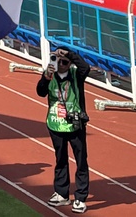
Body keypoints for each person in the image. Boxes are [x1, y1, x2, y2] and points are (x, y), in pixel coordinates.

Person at [37, 46, 91, 212]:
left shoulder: (76, 75)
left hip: (75, 125)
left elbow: (85, 67)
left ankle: (80, 197)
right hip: (55, 124)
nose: (61, 64)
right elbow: (40, 92)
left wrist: (70, 55)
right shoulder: (50, 75)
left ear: (70, 64)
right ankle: (62, 194)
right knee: (60, 160)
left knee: (81, 161)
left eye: (65, 62)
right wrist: (46, 77)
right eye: (58, 60)